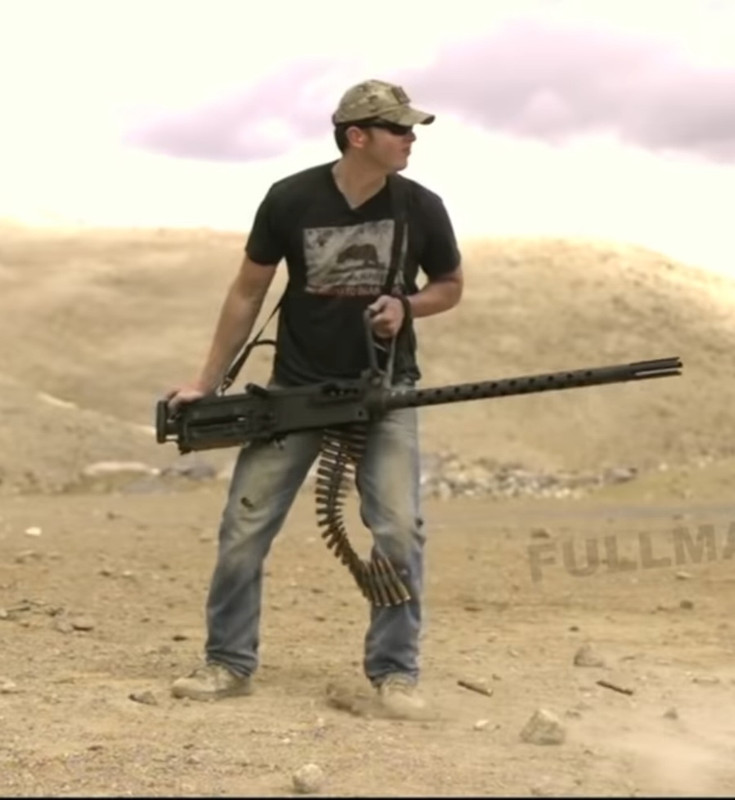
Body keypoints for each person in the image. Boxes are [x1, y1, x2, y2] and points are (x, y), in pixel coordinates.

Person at [166, 79, 463, 717]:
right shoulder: (290, 198)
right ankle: (228, 663)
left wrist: (405, 306)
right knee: (244, 528)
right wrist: (206, 383)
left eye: (411, 129)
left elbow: (450, 285)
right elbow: (247, 291)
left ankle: (396, 673)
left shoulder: (421, 206)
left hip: (385, 392)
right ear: (357, 136)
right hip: (294, 392)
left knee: (398, 532)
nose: (410, 139)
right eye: (398, 129)